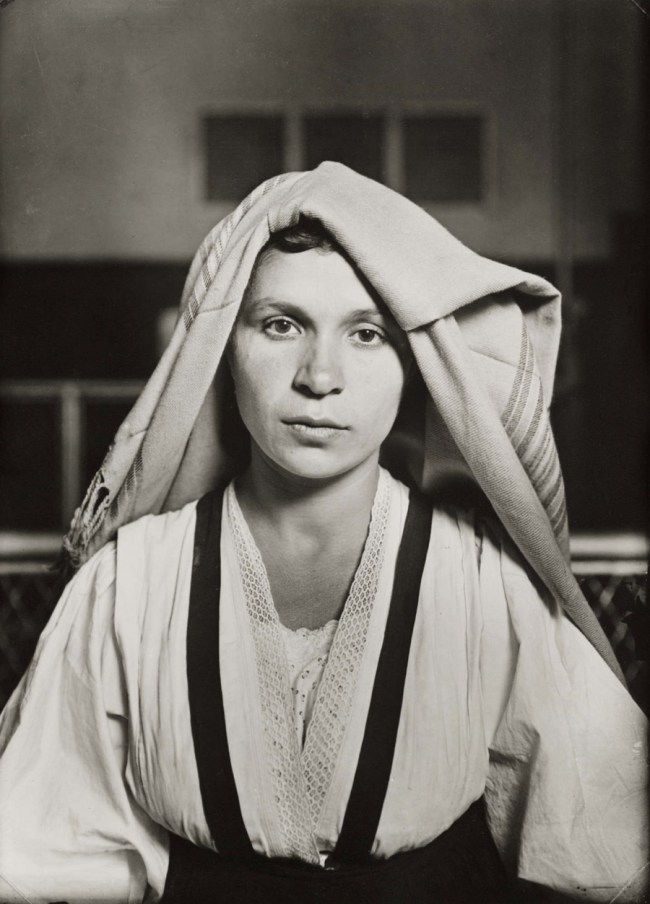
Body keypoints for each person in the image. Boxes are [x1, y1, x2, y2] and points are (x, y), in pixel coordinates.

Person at [0, 162, 646, 903]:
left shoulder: (481, 582)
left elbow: (611, 845)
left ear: (416, 365)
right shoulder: (130, 583)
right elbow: (34, 854)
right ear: (222, 350)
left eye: (367, 334)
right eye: (281, 324)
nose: (320, 376)